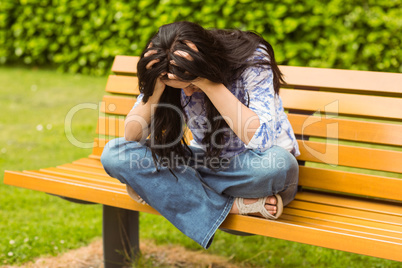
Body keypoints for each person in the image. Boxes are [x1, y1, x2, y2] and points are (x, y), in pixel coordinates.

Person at [101, 21, 300, 249]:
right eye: (178, 86)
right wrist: (155, 90)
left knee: (279, 164)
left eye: (191, 84)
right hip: (209, 161)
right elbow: (131, 137)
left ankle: (165, 187)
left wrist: (208, 83)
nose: (186, 92)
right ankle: (231, 206)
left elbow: (262, 141)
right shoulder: (169, 65)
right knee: (115, 154)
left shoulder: (252, 58)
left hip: (254, 169)